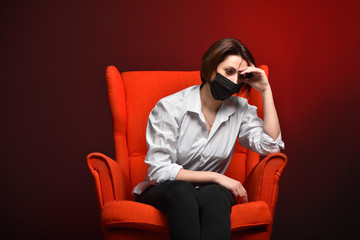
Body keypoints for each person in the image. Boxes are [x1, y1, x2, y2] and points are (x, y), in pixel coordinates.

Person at [133, 38, 284, 240]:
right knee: (184, 190)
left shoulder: (240, 109)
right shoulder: (171, 107)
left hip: (208, 192)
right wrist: (217, 177)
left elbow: (271, 146)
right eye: (228, 72)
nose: (233, 82)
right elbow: (159, 170)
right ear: (211, 68)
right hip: (165, 190)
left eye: (240, 77)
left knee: (217, 194)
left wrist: (266, 90)